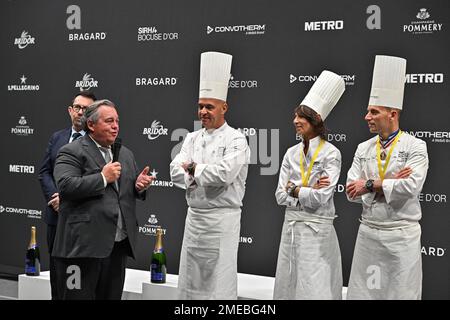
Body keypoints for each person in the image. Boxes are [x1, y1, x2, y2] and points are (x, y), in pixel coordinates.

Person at [52, 99, 154, 300]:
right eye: (109, 121)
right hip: (82, 249)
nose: (115, 126)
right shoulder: (71, 151)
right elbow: (65, 186)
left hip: (116, 247)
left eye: (117, 121)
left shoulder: (124, 153)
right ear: (91, 125)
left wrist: (138, 186)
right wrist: (102, 178)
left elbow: (122, 193)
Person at [346, 55, 429, 299]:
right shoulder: (364, 148)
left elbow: (411, 186)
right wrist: (392, 181)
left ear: (392, 114)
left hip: (401, 237)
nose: (367, 117)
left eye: (374, 112)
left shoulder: (416, 146)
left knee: (401, 293)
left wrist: (371, 183)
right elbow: (352, 189)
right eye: (367, 111)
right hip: (369, 234)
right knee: (365, 294)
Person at [170, 51, 251, 300]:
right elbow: (174, 171)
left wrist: (193, 169)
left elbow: (224, 174)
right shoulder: (192, 138)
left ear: (224, 107)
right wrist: (198, 172)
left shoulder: (236, 138)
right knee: (190, 282)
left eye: (209, 107)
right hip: (194, 221)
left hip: (222, 221)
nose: (203, 111)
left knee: (219, 284)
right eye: (200, 106)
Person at [274, 70, 346, 300]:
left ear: (316, 120)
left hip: (317, 234)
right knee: (288, 285)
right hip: (291, 230)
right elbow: (279, 196)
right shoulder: (290, 153)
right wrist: (305, 191)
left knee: (315, 287)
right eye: (295, 116)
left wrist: (294, 189)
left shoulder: (331, 153)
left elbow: (321, 198)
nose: (296, 121)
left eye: (302, 117)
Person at [38, 90, 96, 300]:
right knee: (56, 274)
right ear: (70, 110)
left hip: (81, 221)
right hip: (55, 218)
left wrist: (67, 199)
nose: (81, 112)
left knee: (77, 281)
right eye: (77, 107)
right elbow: (44, 171)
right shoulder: (57, 138)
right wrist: (55, 196)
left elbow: (94, 179)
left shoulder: (97, 144)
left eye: (86, 109)